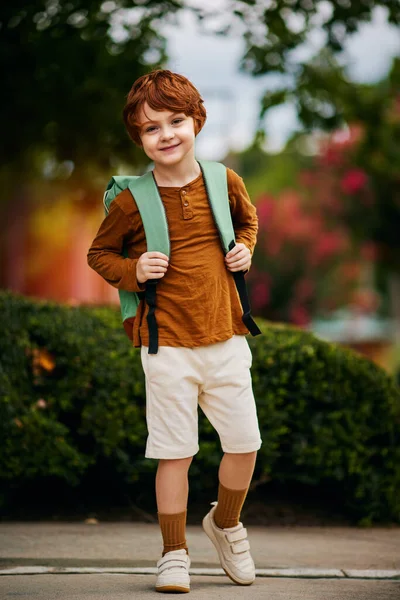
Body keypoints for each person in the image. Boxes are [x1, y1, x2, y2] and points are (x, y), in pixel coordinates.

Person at [87, 69, 262, 594]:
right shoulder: (129, 200)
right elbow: (99, 254)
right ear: (138, 138)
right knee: (174, 452)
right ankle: (173, 553)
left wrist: (246, 249)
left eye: (176, 121)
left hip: (226, 336)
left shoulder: (224, 180)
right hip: (164, 345)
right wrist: (134, 271)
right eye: (151, 128)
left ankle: (225, 524)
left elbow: (248, 222)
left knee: (245, 444)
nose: (166, 134)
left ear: (197, 120)